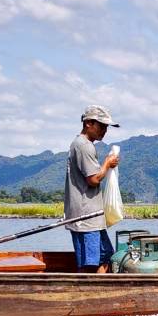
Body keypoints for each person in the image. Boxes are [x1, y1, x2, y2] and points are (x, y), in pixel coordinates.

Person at [65, 105, 121, 273]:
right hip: (86, 215)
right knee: (91, 262)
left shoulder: (82, 144)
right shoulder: (83, 146)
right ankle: (89, 292)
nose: (104, 130)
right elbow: (94, 180)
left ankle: (96, 291)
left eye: (106, 127)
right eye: (101, 126)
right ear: (88, 123)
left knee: (105, 255)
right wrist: (107, 164)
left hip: (90, 215)